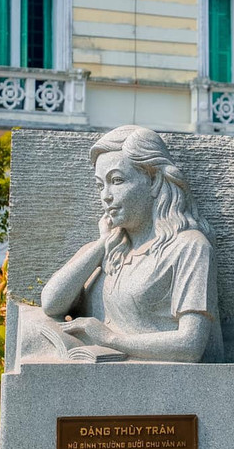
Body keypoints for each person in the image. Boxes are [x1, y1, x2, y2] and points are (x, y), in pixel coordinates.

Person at [33, 125, 222, 363]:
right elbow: (51, 304)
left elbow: (190, 344)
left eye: (117, 180)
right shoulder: (109, 247)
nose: (106, 195)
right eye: (101, 185)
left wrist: (110, 339)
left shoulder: (189, 247)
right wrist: (102, 244)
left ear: (153, 180)